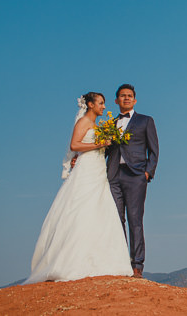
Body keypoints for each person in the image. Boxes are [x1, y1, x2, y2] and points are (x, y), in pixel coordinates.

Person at [24, 92, 133, 284]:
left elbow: (93, 146)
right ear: (90, 105)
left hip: (98, 169)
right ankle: (72, 261)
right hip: (87, 169)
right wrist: (98, 143)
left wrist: (103, 144)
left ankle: (101, 260)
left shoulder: (98, 126)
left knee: (99, 211)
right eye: (100, 103)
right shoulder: (83, 122)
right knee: (81, 209)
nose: (103, 107)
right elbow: (75, 144)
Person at [105, 84, 159, 278]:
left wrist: (147, 173)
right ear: (116, 101)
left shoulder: (145, 121)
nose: (126, 98)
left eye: (129, 96)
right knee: (116, 220)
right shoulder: (109, 125)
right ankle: (120, 264)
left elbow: (154, 150)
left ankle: (137, 265)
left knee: (135, 220)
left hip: (136, 175)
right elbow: (103, 149)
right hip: (113, 176)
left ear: (134, 100)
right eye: (122, 96)